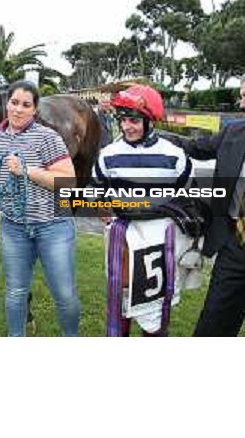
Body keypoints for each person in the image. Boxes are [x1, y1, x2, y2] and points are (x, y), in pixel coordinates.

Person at [163, 63, 245, 336]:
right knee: (213, 327)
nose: (241, 103)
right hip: (233, 246)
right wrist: (151, 130)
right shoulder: (236, 132)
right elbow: (193, 148)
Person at [0, 80, 80, 337]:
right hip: (13, 228)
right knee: (15, 292)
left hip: (52, 226)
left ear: (34, 110)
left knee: (64, 294)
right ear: (6, 105)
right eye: (14, 103)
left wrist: (28, 171)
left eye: (26, 105)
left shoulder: (48, 137)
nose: (18, 110)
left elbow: (68, 180)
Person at [93, 84, 199, 337]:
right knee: (122, 302)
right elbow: (95, 192)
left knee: (155, 308)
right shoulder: (107, 155)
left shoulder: (175, 155)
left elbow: (191, 196)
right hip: (123, 239)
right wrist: (103, 210)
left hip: (161, 239)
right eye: (122, 120)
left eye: (134, 120)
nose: (127, 126)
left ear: (151, 121)